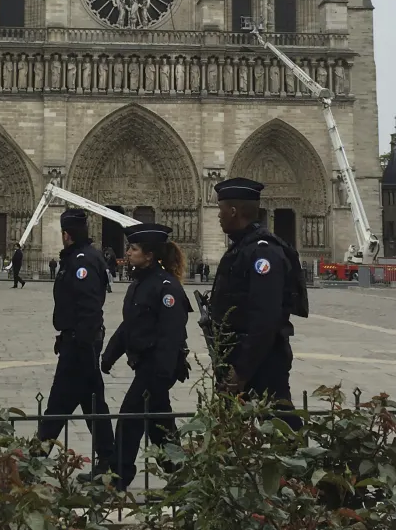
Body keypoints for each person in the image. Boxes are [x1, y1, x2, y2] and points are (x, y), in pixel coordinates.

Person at [99, 224, 191, 489]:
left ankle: (118, 477)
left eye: (133, 249)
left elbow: (171, 335)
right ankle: (181, 473)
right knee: (159, 425)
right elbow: (130, 325)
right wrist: (110, 354)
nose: (127, 253)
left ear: (149, 255)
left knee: (129, 420)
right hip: (145, 365)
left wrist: (161, 376)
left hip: (156, 367)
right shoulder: (140, 283)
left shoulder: (166, 287)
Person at [209, 177, 307, 426]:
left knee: (281, 428)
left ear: (233, 211)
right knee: (231, 433)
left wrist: (241, 371)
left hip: (261, 362)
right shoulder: (242, 248)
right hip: (241, 357)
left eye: (221, 209)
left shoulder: (263, 252)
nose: (218, 215)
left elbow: (265, 318)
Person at [37, 208, 114, 471]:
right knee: (92, 404)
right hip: (77, 342)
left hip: (81, 345)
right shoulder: (82, 257)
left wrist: (80, 345)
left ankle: (34, 461)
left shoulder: (82, 261)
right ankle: (109, 460)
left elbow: (88, 307)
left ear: (66, 235)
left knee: (59, 404)